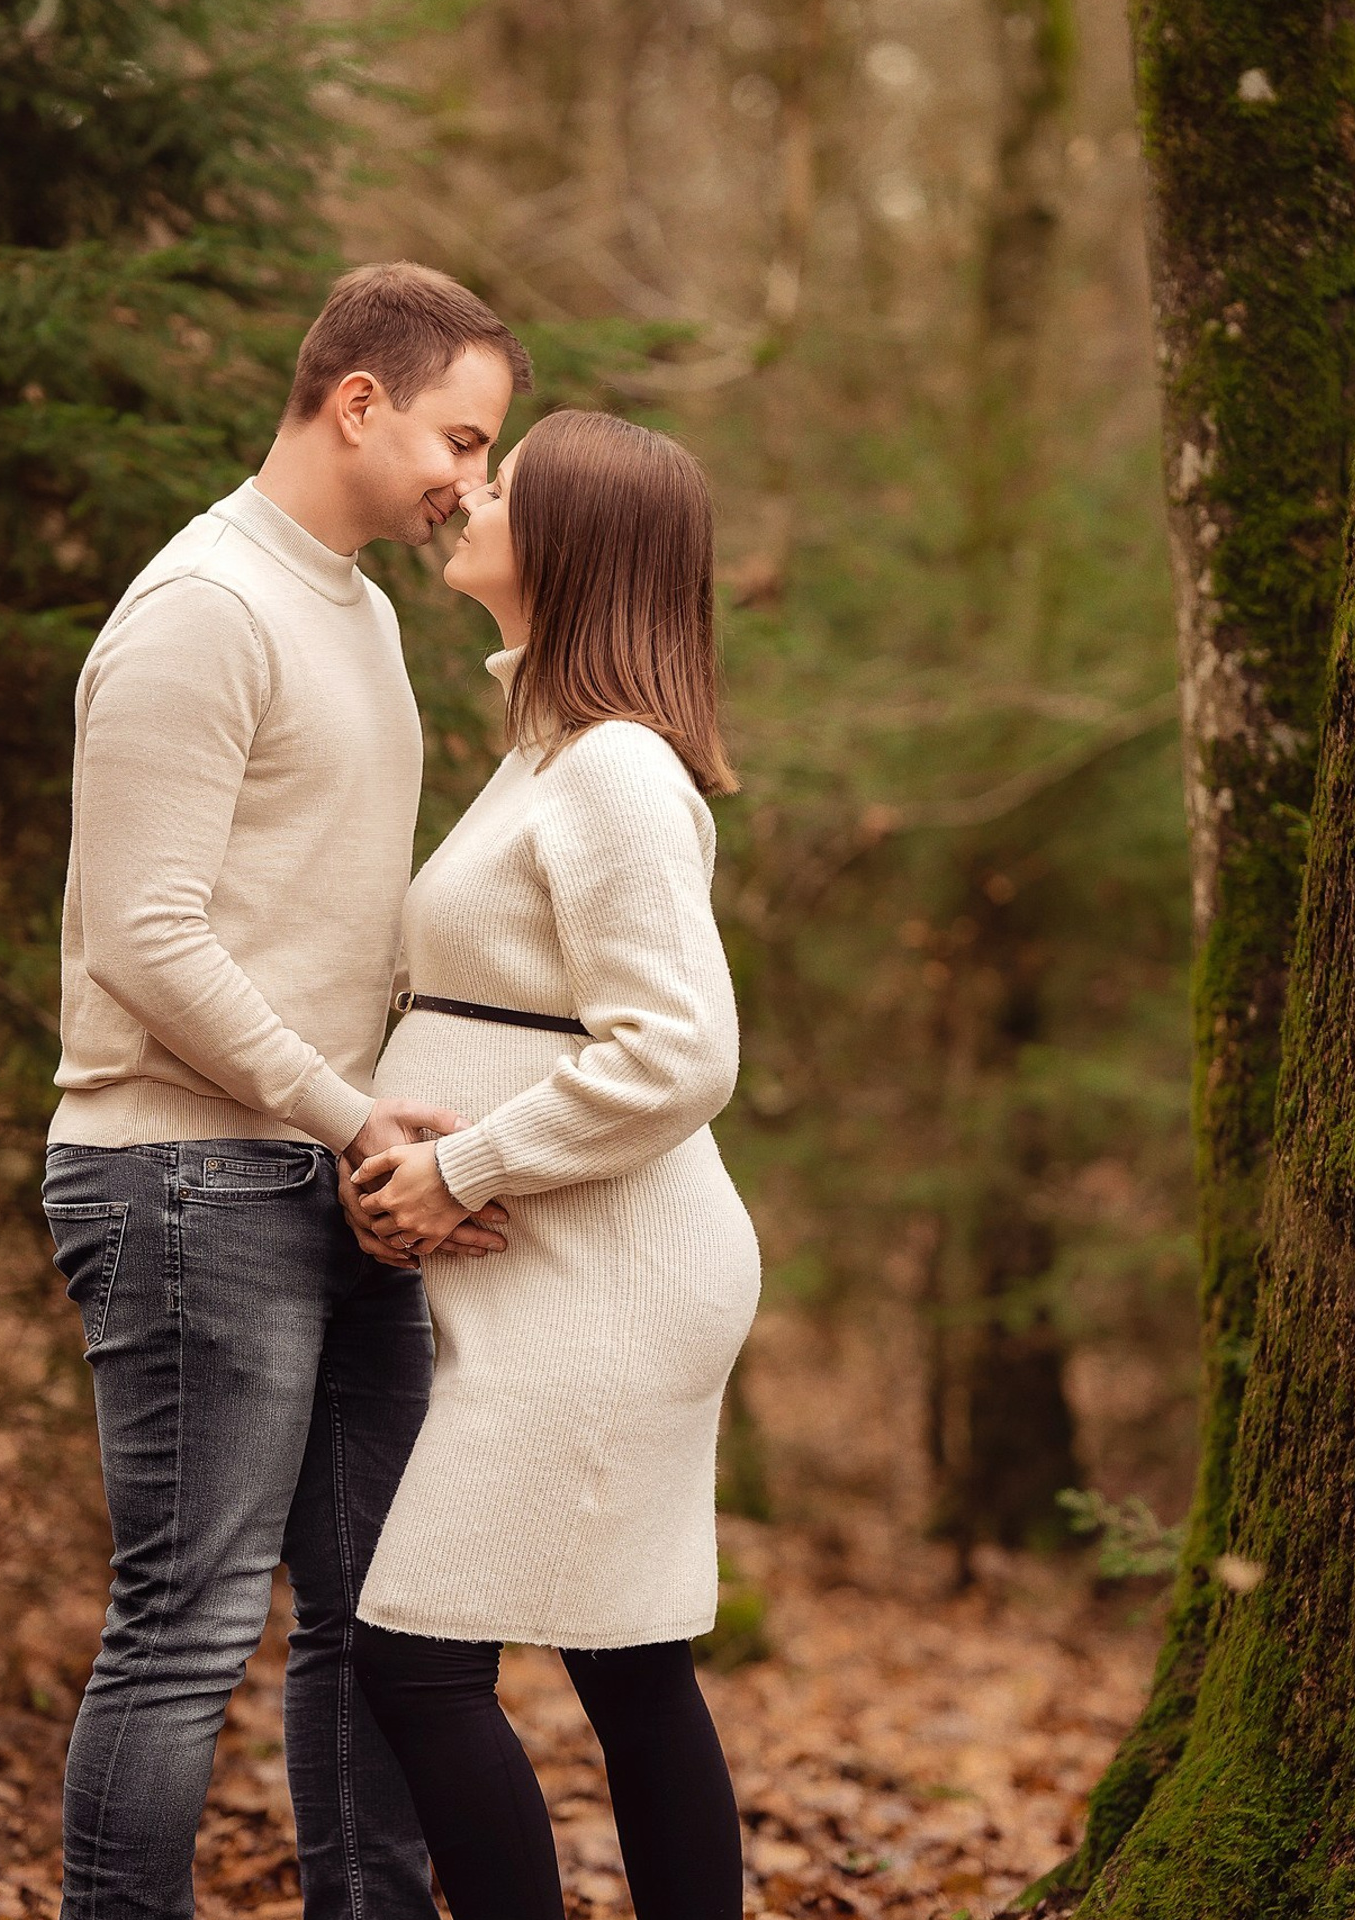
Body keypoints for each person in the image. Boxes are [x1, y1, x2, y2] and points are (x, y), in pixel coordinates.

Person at [40, 262, 531, 1920]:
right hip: (182, 1174)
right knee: (187, 1624)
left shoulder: (366, 612)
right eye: (460, 436)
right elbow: (141, 936)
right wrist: (343, 1111)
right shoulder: (202, 608)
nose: (473, 478)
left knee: (380, 1613)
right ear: (358, 400)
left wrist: (394, 1133)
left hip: (332, 1173)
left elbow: (346, 928)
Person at [341, 409, 761, 1920]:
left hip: (614, 1285)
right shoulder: (546, 758)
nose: (470, 492)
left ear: (572, 543)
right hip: (565, 1273)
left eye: (502, 485)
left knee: (415, 1658)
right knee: (628, 1660)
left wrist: (470, 1168)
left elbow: (679, 1050)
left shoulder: (614, 776)